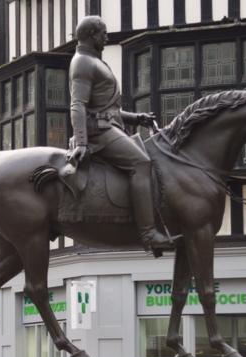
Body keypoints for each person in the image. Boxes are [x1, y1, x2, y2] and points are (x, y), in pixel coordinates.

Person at [65, 15, 179, 256]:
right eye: (103, 33)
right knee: (141, 163)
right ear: (92, 35)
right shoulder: (83, 62)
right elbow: (78, 105)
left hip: (110, 127)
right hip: (100, 133)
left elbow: (109, 109)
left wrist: (136, 118)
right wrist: (82, 142)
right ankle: (149, 233)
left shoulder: (93, 61)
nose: (106, 37)